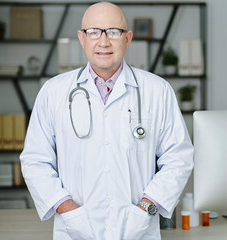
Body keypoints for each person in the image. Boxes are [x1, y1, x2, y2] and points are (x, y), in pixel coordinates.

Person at [20, 2, 194, 240]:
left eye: (113, 31)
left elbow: (178, 158)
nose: (103, 41)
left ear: (128, 38)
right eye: (94, 32)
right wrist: (68, 211)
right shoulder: (54, 92)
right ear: (82, 38)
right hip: (75, 231)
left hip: (138, 232)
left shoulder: (157, 91)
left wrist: (146, 209)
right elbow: (35, 161)